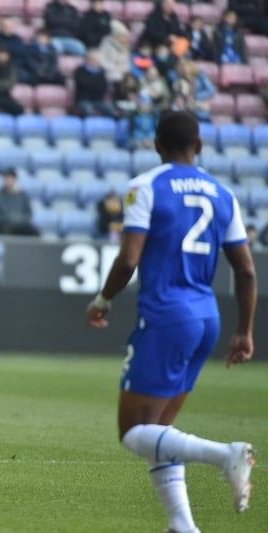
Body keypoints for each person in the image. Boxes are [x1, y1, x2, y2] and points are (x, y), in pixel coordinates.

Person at [85, 110, 256, 533]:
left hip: (165, 317)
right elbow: (246, 271)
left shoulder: (146, 186)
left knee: (133, 432)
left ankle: (225, 454)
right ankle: (182, 526)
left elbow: (128, 258)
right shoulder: (223, 194)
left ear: (156, 145)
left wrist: (104, 298)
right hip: (207, 319)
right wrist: (245, 330)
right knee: (161, 431)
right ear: (198, 145)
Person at [0, 167, 39, 236]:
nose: (7, 181)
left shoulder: (23, 196)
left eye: (9, 178)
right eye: (5, 178)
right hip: (4, 225)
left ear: (14, 179)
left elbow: (29, 214)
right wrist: (8, 219)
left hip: (21, 224)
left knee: (34, 232)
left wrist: (19, 220)